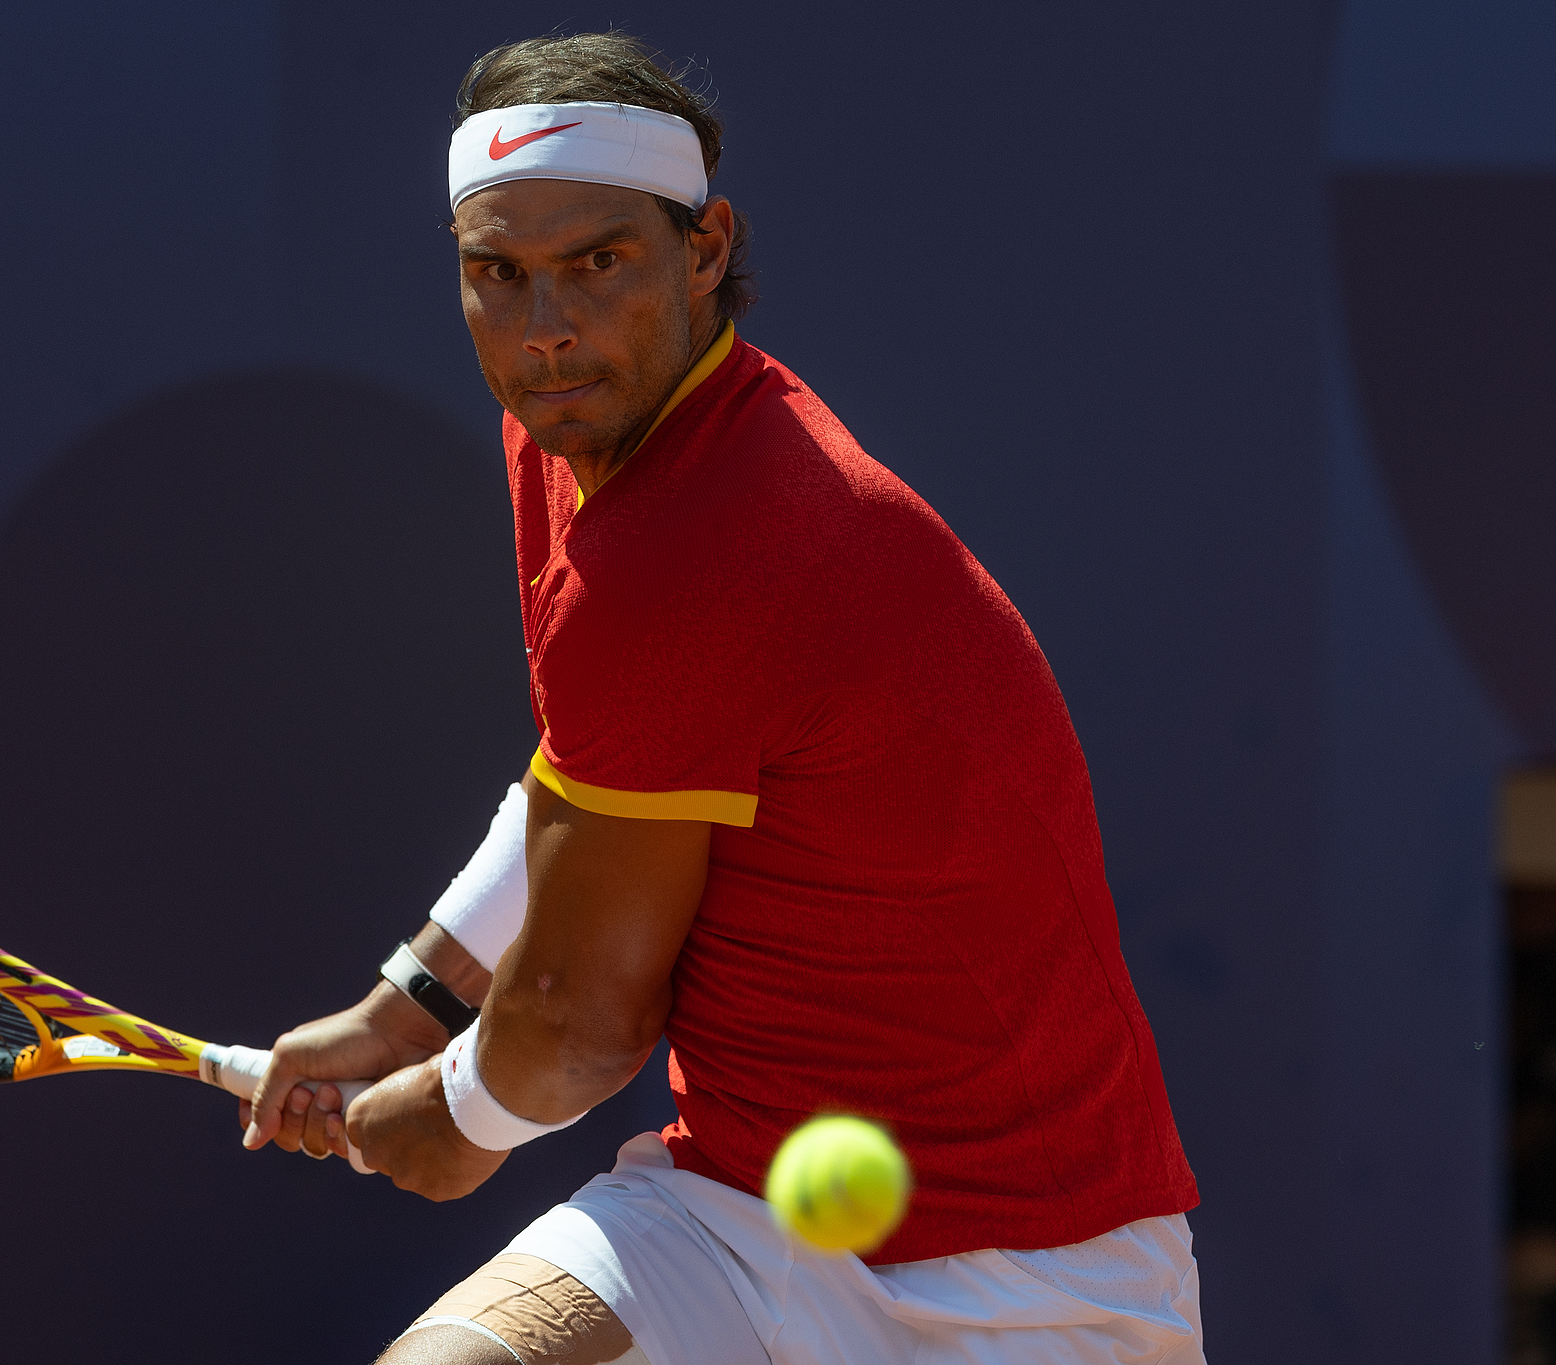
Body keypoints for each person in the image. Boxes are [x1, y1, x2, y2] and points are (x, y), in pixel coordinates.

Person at [244, 32, 1204, 1365]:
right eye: (496, 275)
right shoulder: (576, 425)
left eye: (599, 262)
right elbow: (596, 773)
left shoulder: (715, 537)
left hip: (1036, 1269)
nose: (545, 328)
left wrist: (448, 1117)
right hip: (739, 1212)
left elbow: (583, 1022)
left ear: (705, 249)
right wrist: (404, 1003)